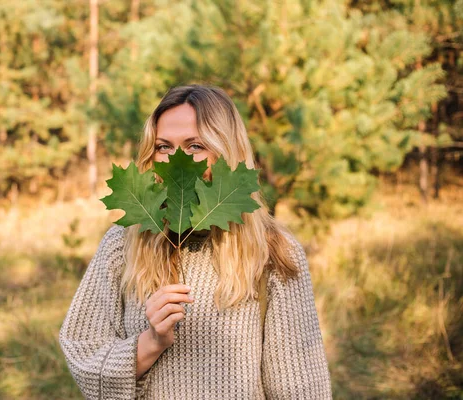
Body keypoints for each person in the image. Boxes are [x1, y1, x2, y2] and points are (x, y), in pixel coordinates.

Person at [59, 85, 332, 399]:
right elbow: (82, 354)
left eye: (195, 146)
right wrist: (150, 344)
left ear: (226, 150)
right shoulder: (123, 244)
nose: (178, 163)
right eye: (164, 147)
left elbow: (299, 388)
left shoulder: (274, 251)